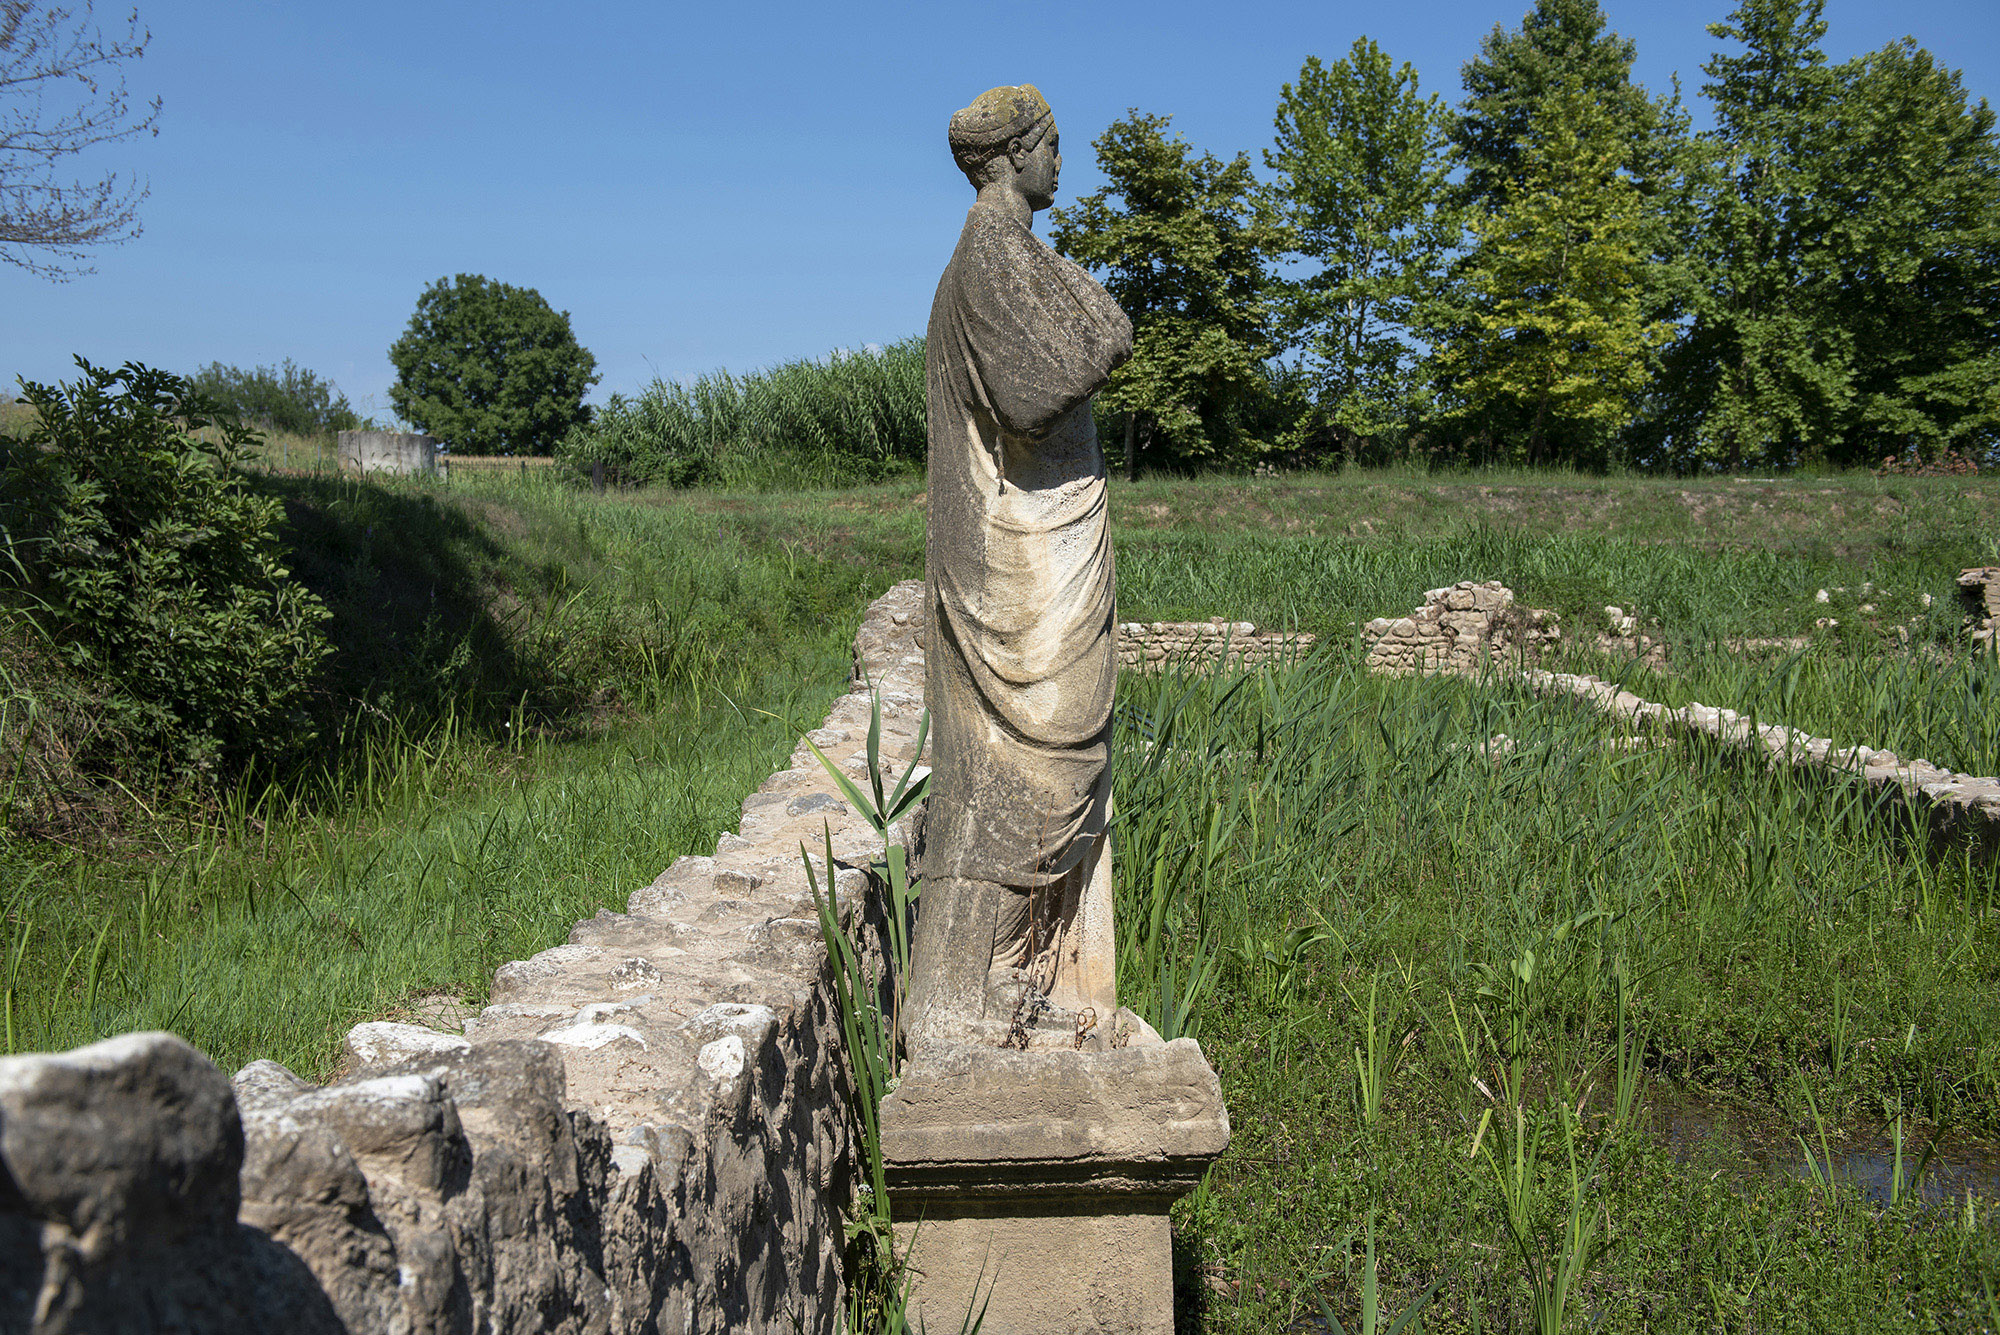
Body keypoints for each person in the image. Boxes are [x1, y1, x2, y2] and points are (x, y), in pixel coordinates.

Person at [905, 85, 1133, 1047]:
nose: (1060, 163)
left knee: (1047, 766)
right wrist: (1105, 333)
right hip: (1015, 561)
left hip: (1040, 545)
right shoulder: (992, 258)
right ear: (1009, 156)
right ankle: (956, 998)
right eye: (1050, 145)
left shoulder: (1016, 253)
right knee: (1034, 766)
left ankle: (1012, 977)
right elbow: (1037, 392)